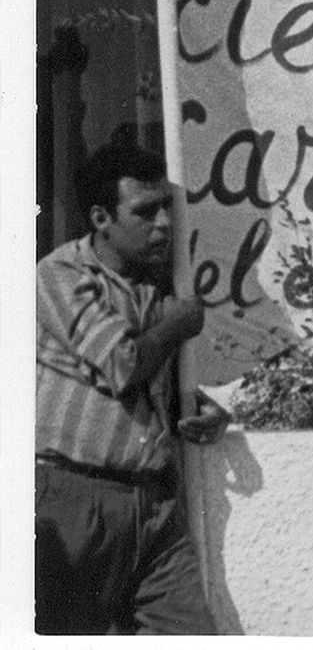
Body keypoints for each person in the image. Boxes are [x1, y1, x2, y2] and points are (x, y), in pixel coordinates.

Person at [36, 143, 228, 634]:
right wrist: (179, 323)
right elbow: (123, 363)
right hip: (74, 499)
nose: (164, 223)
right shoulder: (60, 274)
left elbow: (147, 381)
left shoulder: (152, 290)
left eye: (167, 207)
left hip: (154, 506)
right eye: (145, 211)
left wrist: (200, 405)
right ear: (101, 218)